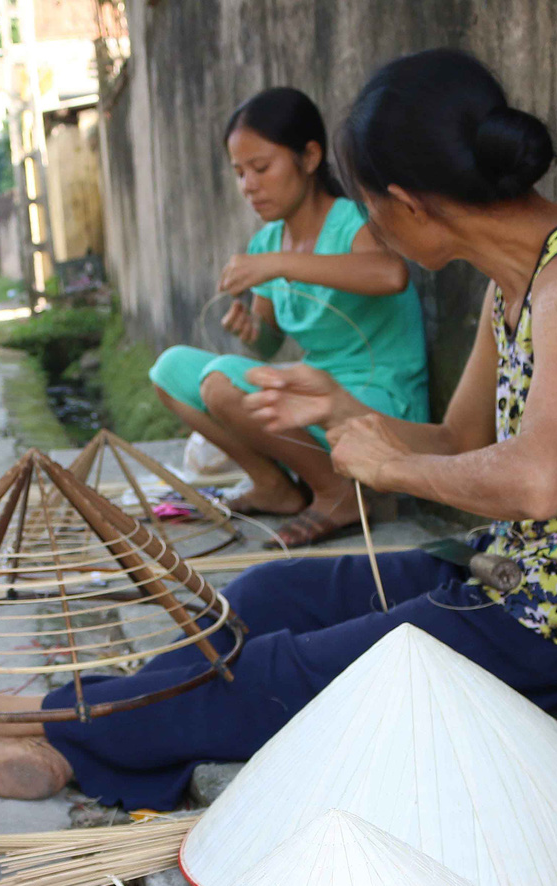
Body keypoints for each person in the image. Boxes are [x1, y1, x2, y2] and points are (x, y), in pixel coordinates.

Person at [0, 48, 557, 806]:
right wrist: (344, 410)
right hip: (517, 569)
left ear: (405, 202)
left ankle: (17, 714)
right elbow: (462, 441)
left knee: (284, 667)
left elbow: (541, 479)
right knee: (271, 600)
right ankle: (71, 746)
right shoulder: (512, 288)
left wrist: (392, 472)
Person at [146, 87, 428, 547]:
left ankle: (336, 492)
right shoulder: (266, 243)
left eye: (261, 168)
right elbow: (267, 345)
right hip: (314, 394)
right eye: (239, 173)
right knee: (170, 370)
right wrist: (250, 331)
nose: (248, 186)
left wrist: (280, 264)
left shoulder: (352, 221)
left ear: (310, 157)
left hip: (378, 400)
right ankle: (275, 488)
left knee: (221, 380)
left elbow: (390, 273)